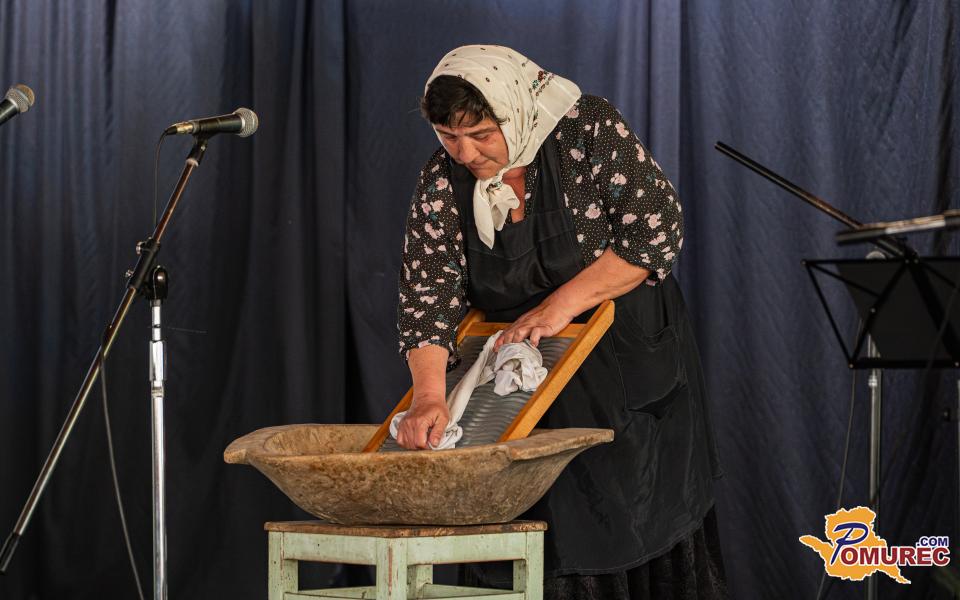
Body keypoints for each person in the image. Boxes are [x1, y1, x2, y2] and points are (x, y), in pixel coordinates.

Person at [395, 45, 725, 599]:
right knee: (536, 534)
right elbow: (427, 299)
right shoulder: (441, 180)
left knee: (630, 520)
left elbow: (655, 232)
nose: (466, 152)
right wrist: (429, 396)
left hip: (623, 366)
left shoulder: (584, 130)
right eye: (448, 136)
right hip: (521, 388)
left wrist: (557, 308)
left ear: (511, 110)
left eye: (481, 134)